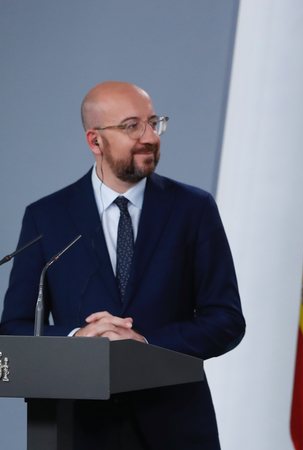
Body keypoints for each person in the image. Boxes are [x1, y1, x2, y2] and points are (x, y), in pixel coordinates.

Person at [0, 81, 246, 449]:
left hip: (175, 428)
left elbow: (226, 320)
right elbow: (14, 328)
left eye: (153, 122)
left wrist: (144, 343)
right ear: (94, 141)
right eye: (132, 126)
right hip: (77, 428)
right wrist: (76, 339)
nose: (149, 136)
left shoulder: (193, 209)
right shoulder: (46, 217)